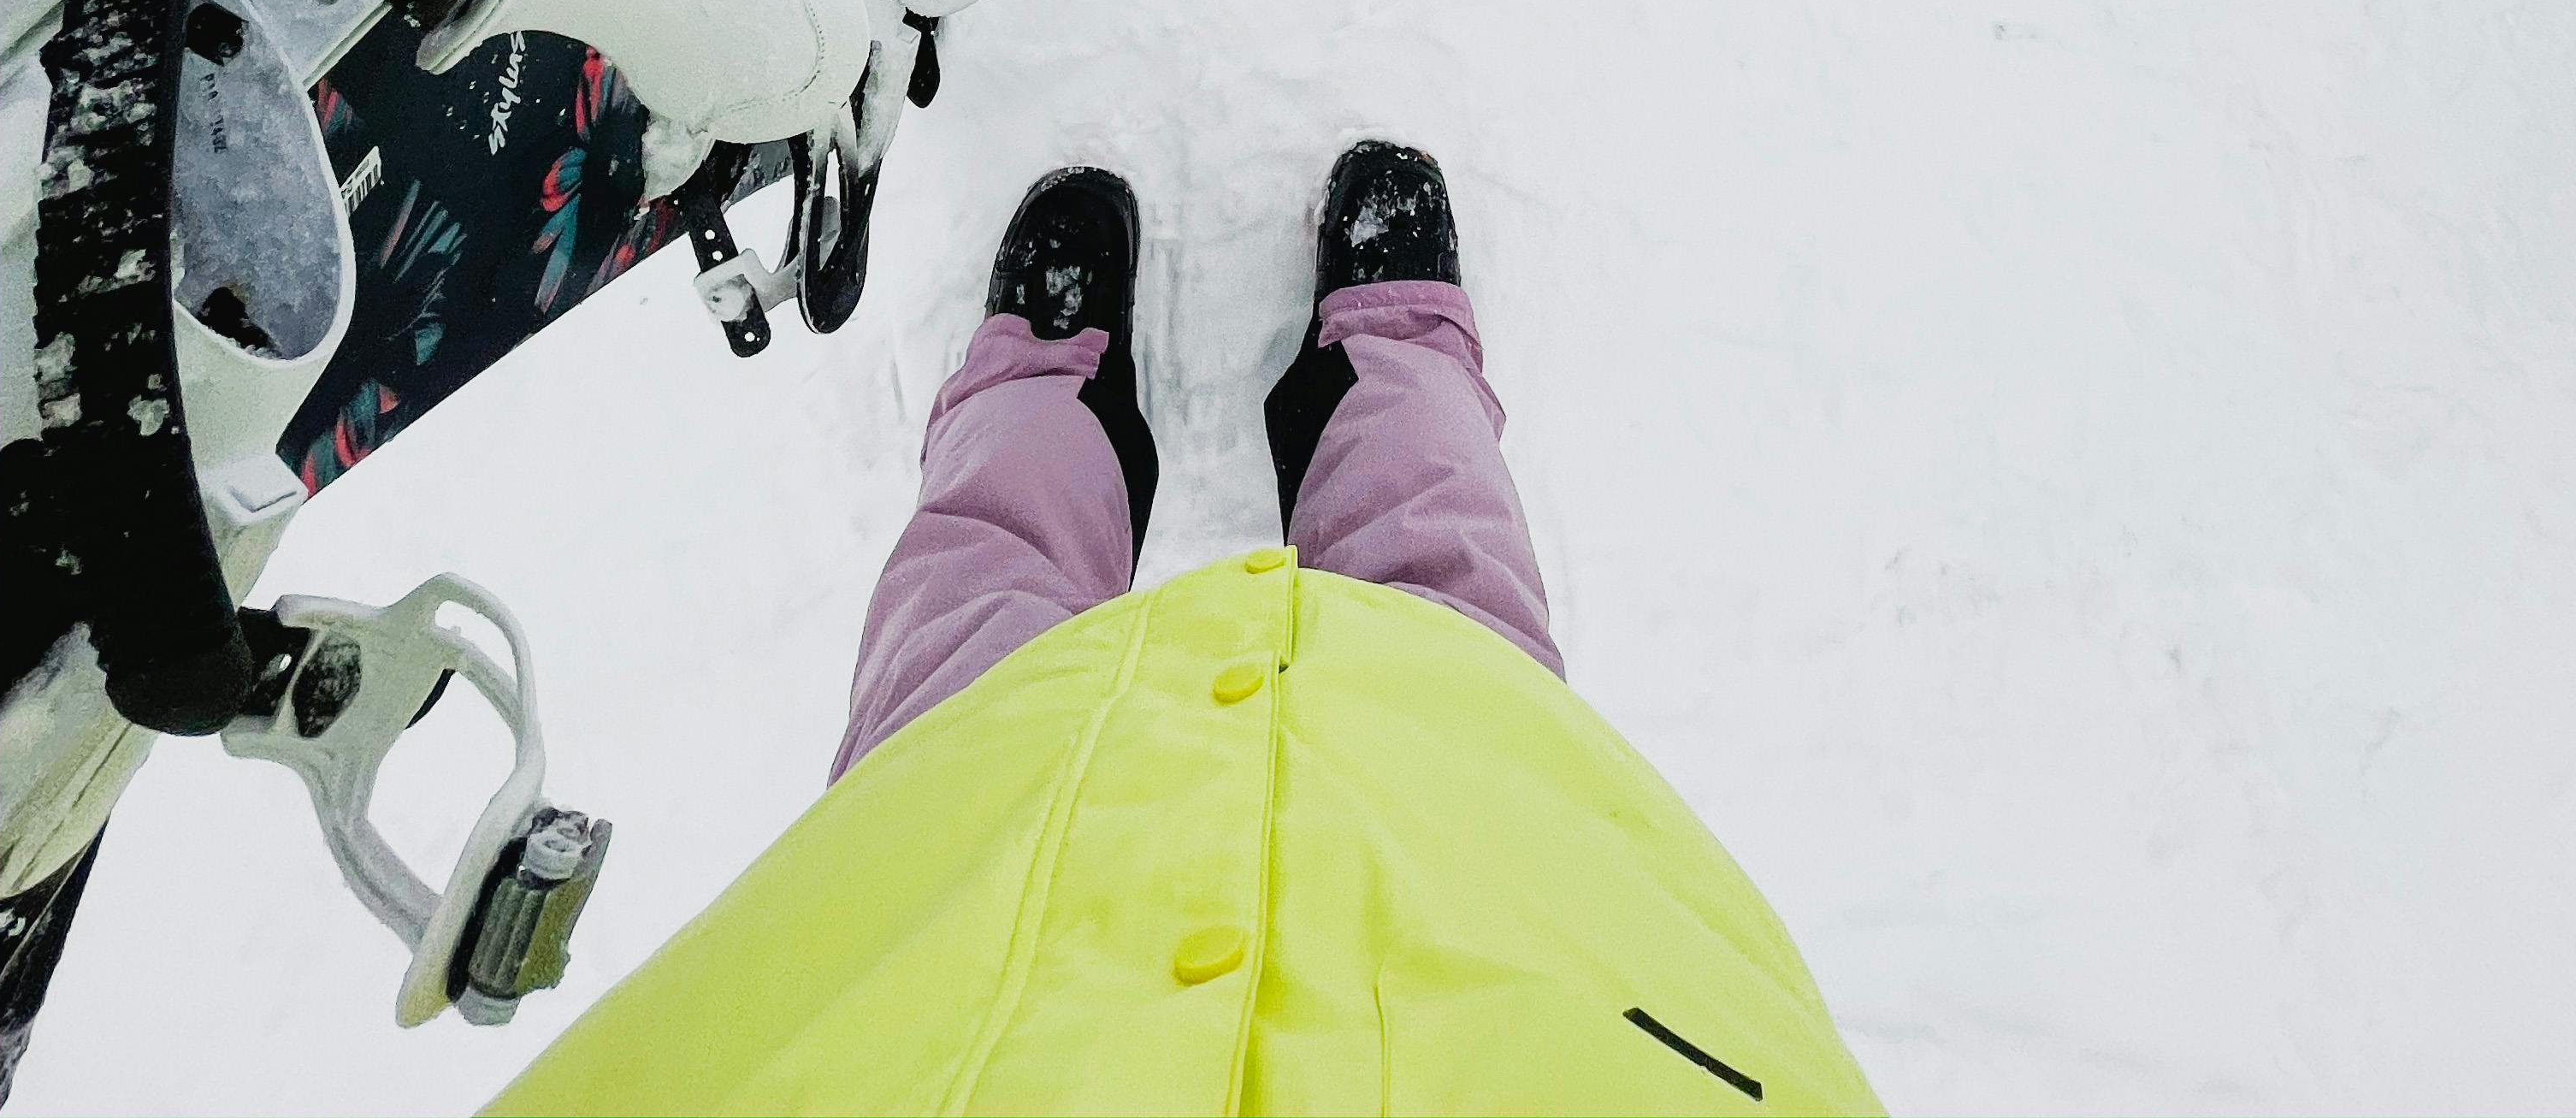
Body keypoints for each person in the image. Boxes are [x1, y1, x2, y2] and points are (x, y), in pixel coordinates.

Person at [493, 145, 1880, 1117]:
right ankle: (1390, 364)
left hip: (914, 989)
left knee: (977, 606)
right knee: (1449, 623)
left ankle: (1043, 387)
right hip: (1535, 1010)